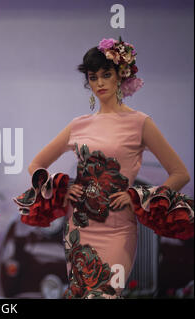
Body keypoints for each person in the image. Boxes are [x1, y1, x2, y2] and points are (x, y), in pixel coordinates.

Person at [14, 37, 193, 299]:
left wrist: (140, 198)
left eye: (106, 74)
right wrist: (64, 189)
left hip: (119, 232)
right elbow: (36, 165)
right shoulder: (78, 125)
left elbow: (180, 174)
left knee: (105, 295)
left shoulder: (140, 123)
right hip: (79, 229)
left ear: (120, 76)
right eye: (93, 76)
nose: (99, 83)